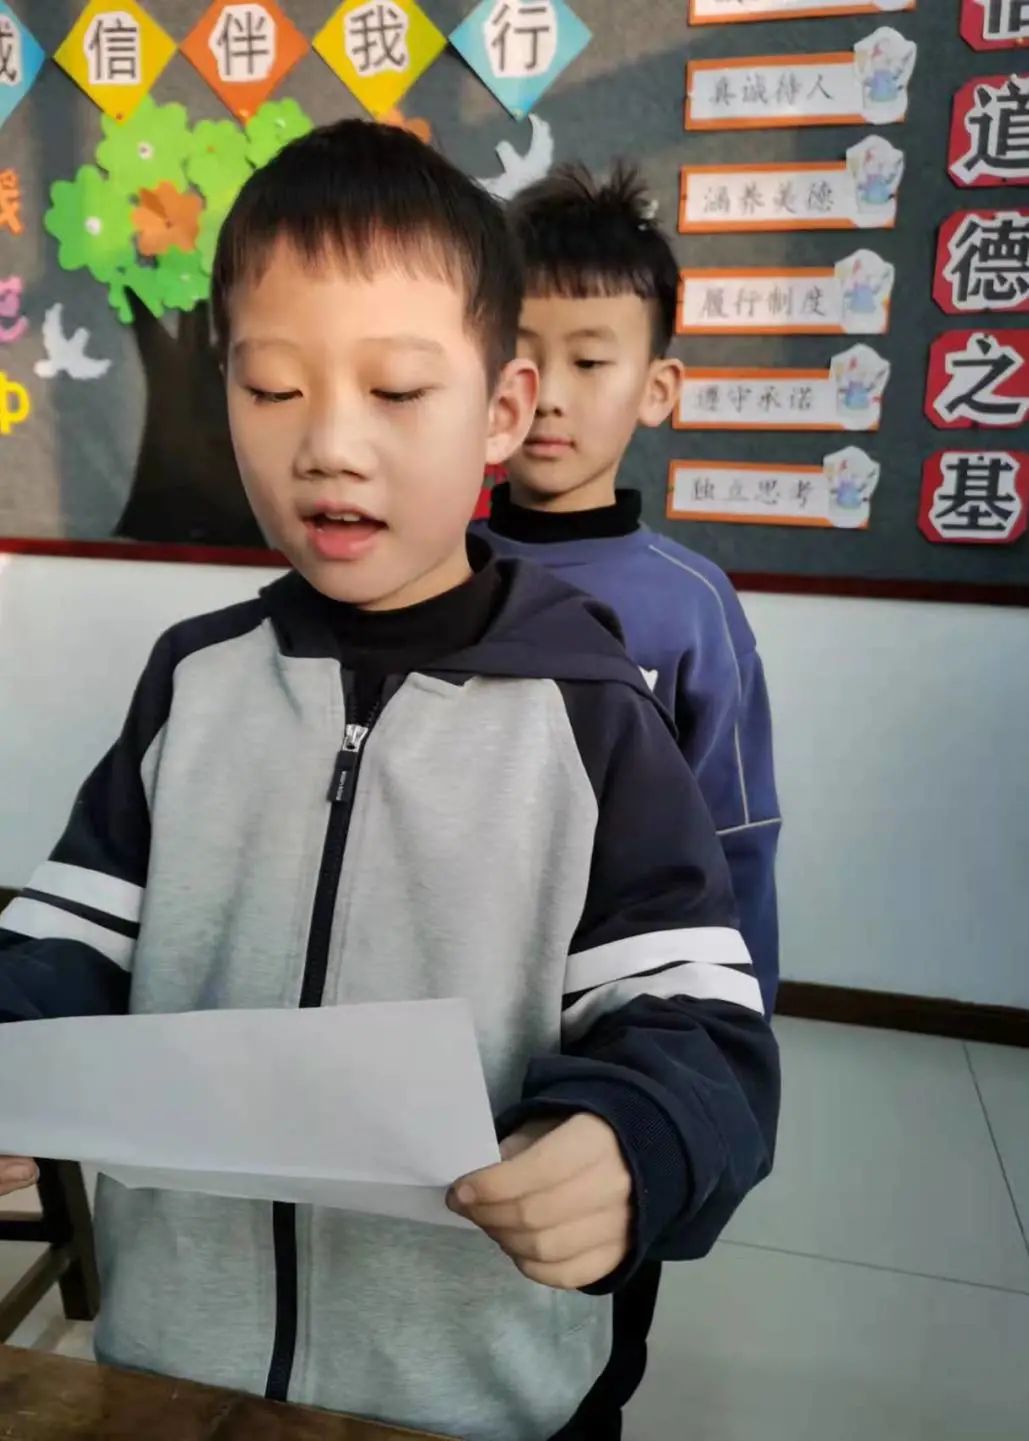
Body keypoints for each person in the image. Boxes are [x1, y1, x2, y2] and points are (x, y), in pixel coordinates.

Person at [0, 123, 778, 1441]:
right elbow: (69, 939)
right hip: (173, 1362)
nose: (329, 444)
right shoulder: (193, 681)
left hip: (467, 1391)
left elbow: (703, 1026)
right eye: (271, 388)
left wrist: (635, 1138)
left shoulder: (593, 713)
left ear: (503, 412)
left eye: (399, 390)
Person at [482, 162, 782, 1432]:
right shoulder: (429, 564)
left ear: (656, 387)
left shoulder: (690, 605)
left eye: (590, 359)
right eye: (520, 353)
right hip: (454, 1011)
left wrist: (722, 1068)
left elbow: (738, 851)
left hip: (621, 1033)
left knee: (591, 1337)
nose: (548, 392)